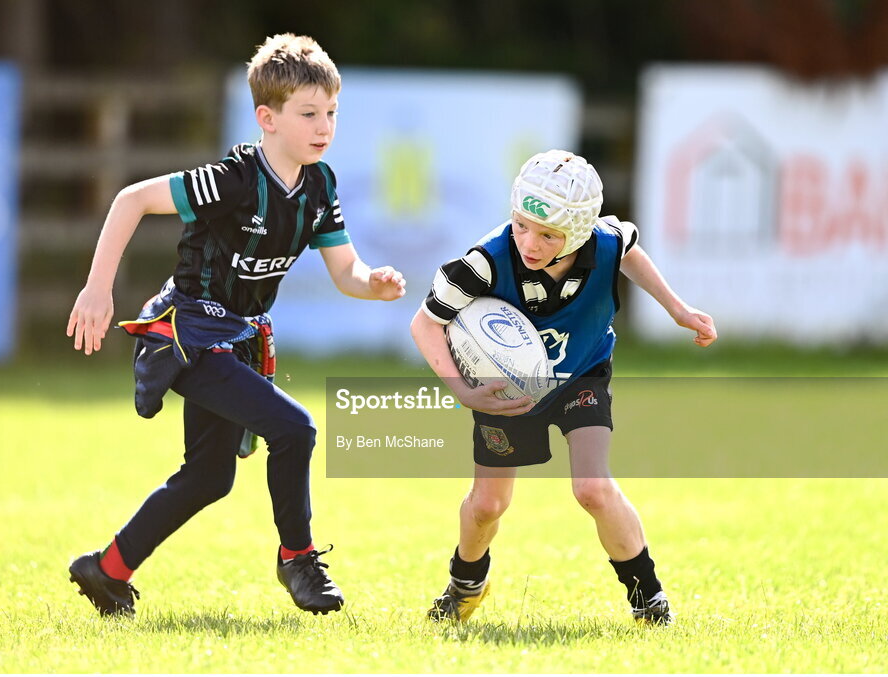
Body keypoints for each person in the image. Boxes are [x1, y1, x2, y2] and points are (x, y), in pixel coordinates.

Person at [65, 33, 406, 617]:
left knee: (208, 477)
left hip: (237, 339)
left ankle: (107, 570)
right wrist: (98, 289)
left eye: (331, 113)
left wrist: (371, 283)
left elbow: (346, 271)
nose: (323, 126)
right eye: (308, 114)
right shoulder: (232, 180)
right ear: (266, 118)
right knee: (294, 428)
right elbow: (130, 200)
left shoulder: (319, 186)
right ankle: (297, 558)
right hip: (189, 335)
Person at [410, 150, 716, 625]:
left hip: (582, 375)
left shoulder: (606, 240)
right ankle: (465, 584)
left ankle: (649, 602)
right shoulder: (482, 263)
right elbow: (425, 325)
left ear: (577, 232)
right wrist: (464, 392)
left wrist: (677, 309)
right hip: (505, 390)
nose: (529, 242)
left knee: (592, 488)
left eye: (548, 234)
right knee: (490, 504)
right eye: (521, 225)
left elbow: (628, 249)